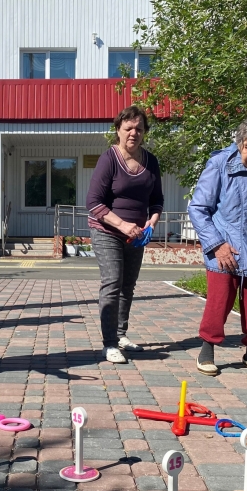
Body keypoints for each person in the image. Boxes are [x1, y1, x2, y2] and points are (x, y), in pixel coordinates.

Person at [188, 115, 247, 376]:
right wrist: (217, 245)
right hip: (225, 247)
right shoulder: (220, 163)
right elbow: (198, 208)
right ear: (239, 143)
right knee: (219, 301)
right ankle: (207, 350)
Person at [86, 105, 164, 363]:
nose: (134, 133)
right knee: (113, 282)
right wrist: (121, 224)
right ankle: (109, 344)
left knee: (127, 286)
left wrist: (152, 222)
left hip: (137, 235)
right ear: (118, 130)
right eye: (128, 128)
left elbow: (157, 200)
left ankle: (120, 335)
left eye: (139, 129)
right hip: (107, 230)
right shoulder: (109, 159)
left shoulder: (151, 161)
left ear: (145, 132)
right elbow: (94, 203)